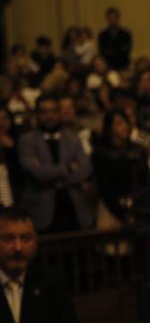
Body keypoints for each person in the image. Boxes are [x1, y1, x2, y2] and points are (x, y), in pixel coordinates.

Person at [18, 94, 94, 232]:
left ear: (59, 113)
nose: (49, 116)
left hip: (74, 209)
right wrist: (69, 168)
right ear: (37, 115)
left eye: (53, 111)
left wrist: (51, 176)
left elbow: (85, 169)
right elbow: (36, 172)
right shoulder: (27, 140)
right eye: (44, 112)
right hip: (42, 212)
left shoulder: (72, 138)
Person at [98, 7, 132, 72]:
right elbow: (103, 51)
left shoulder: (126, 34)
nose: (112, 21)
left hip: (123, 65)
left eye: (114, 18)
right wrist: (118, 49)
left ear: (118, 18)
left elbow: (127, 50)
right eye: (110, 19)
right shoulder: (102, 35)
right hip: (108, 66)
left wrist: (112, 51)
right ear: (107, 19)